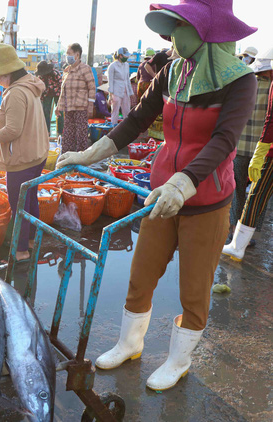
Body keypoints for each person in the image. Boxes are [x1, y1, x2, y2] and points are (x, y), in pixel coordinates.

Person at [57, 0, 257, 391]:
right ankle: (129, 344)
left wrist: (185, 182)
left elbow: (223, 141)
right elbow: (136, 120)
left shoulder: (240, 81)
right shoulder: (172, 72)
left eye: (178, 28)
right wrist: (90, 152)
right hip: (160, 196)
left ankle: (178, 361)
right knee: (141, 275)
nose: (169, 36)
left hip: (205, 201)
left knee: (194, 290)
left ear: (205, 33)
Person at [0, 44, 49, 262]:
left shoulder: (14, 93)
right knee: (30, 199)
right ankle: (31, 241)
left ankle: (20, 252)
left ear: (6, 72)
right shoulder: (30, 85)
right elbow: (18, 115)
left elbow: (13, 130)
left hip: (21, 159)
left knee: (18, 205)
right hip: (37, 154)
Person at [223, 49, 273, 261]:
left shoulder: (243, 86)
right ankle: (249, 236)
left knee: (238, 192)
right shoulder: (269, 87)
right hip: (261, 152)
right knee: (258, 194)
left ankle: (234, 229)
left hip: (240, 147)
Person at [56, 43, 96, 153]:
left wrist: (90, 106)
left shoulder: (85, 69)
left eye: (69, 53)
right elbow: (63, 90)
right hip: (68, 108)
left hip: (81, 108)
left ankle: (81, 159)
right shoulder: (67, 70)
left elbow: (92, 87)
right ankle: (66, 158)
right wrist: (58, 106)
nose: (67, 56)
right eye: (66, 54)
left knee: (81, 135)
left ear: (77, 55)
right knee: (68, 134)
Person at [107, 47, 135, 125]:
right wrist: (110, 95)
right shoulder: (112, 66)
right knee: (115, 112)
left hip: (125, 91)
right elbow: (110, 81)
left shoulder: (126, 65)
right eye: (125, 56)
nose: (127, 57)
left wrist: (131, 92)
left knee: (127, 112)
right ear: (120, 56)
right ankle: (113, 128)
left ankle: (127, 128)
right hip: (116, 92)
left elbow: (127, 79)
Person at [35, 60, 63, 135]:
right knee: (45, 112)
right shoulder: (41, 76)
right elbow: (40, 87)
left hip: (57, 93)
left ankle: (60, 131)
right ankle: (47, 131)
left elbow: (61, 85)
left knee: (60, 111)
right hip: (46, 94)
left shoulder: (55, 73)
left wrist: (61, 97)